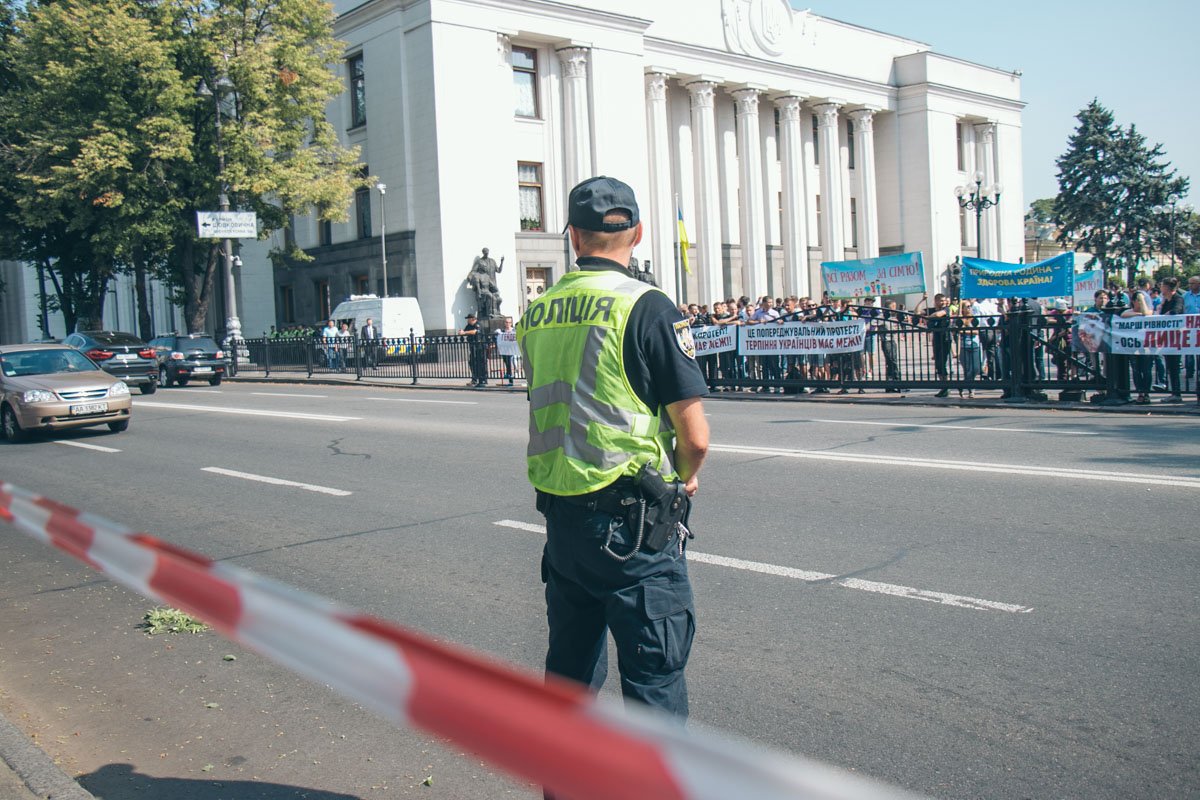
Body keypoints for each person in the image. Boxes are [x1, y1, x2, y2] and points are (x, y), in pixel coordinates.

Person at [516, 176, 709, 737]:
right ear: (639, 234)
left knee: (569, 686)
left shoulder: (539, 310)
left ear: (572, 237)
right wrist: (686, 478)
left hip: (564, 524)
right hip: (635, 528)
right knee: (653, 689)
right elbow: (694, 437)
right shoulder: (646, 307)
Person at [1121, 291, 1154, 404]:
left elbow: (1147, 313)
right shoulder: (1129, 311)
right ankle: (1140, 392)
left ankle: (1146, 393)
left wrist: (1143, 300)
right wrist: (1138, 314)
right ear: (1134, 301)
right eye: (1139, 300)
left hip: (1147, 346)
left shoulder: (1149, 311)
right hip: (1134, 346)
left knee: (1147, 370)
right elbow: (1123, 314)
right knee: (1136, 370)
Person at [1157, 277, 1185, 403]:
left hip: (1176, 337)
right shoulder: (1165, 301)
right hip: (1166, 337)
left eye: (1162, 285)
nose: (1160, 287)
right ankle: (1174, 392)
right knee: (1170, 366)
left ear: (1167, 287)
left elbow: (1176, 311)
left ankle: (1177, 393)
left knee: (1174, 366)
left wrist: (1165, 315)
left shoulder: (1177, 299)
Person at [467, 247, 503, 318]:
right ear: (483, 252)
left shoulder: (492, 261)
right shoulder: (480, 261)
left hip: (492, 283)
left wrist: (502, 262)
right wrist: (470, 277)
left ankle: (496, 313)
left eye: (487, 252)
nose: (486, 253)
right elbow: (474, 271)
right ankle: (487, 313)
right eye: (485, 252)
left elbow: (498, 270)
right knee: (488, 297)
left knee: (497, 297)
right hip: (482, 283)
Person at [457, 312, 487, 386]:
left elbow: (475, 332)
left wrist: (464, 332)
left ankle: (483, 379)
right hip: (472, 346)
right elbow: (464, 332)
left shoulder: (478, 324)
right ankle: (474, 378)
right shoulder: (469, 325)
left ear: (472, 319)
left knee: (481, 362)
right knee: (472, 362)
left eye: (468, 319)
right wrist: (461, 332)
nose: (467, 320)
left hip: (480, 346)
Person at [494, 315, 517, 386]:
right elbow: (498, 338)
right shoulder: (502, 331)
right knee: (506, 363)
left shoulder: (513, 330)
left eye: (509, 322)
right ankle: (508, 374)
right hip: (504, 350)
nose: (507, 324)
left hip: (511, 349)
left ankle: (511, 380)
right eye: (506, 322)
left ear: (511, 323)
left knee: (509, 363)